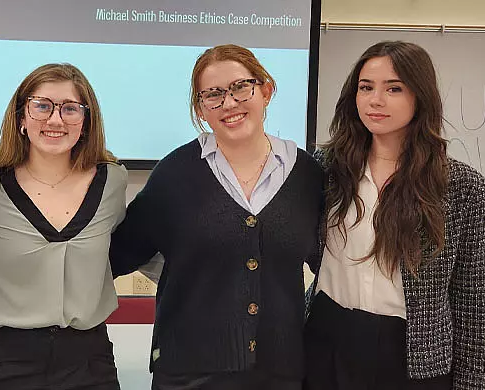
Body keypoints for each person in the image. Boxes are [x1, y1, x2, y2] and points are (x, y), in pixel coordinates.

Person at [109, 44, 325, 389]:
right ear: (201, 109)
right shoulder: (175, 174)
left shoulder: (308, 176)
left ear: (265, 91)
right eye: (213, 95)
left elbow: (330, 266)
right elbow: (120, 252)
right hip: (188, 373)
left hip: (279, 373)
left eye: (241, 87)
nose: (229, 103)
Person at [304, 41, 485, 390]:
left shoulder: (463, 188)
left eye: (394, 88)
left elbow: (473, 301)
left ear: (420, 96)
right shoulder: (325, 169)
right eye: (366, 87)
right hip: (326, 338)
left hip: (414, 352)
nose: (375, 100)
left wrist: (474, 382)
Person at [0, 63, 126, 390]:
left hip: (88, 360)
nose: (55, 120)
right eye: (42, 106)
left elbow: (124, 251)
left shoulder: (113, 180)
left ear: (86, 122)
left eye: (70, 109)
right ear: (21, 117)